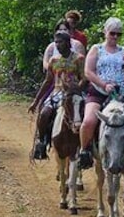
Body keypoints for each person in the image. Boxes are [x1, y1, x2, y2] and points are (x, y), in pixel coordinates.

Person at [77, 17, 124, 170]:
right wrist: (104, 84)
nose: (115, 37)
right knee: (89, 121)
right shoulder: (96, 49)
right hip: (99, 91)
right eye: (112, 33)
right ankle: (85, 151)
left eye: (119, 34)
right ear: (105, 32)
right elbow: (88, 72)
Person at [29, 30, 86, 159]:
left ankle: (89, 147)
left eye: (60, 42)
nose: (57, 45)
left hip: (75, 93)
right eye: (56, 42)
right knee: (44, 113)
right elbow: (48, 80)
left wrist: (77, 88)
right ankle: (42, 142)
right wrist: (36, 101)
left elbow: (84, 77)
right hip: (57, 92)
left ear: (67, 43)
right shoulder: (53, 60)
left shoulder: (79, 58)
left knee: (88, 113)